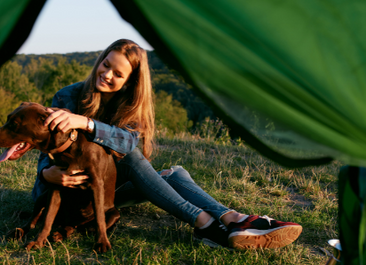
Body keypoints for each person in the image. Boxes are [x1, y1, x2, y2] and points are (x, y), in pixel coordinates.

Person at [31, 39, 302, 249]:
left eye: (118, 73)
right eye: (106, 65)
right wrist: (47, 173)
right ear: (99, 61)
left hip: (106, 191)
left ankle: (229, 220)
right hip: (70, 193)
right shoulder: (67, 96)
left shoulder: (129, 106)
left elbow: (126, 142)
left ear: (130, 82)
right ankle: (213, 223)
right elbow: (46, 145)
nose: (107, 75)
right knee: (143, 162)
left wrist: (86, 123)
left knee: (171, 172)